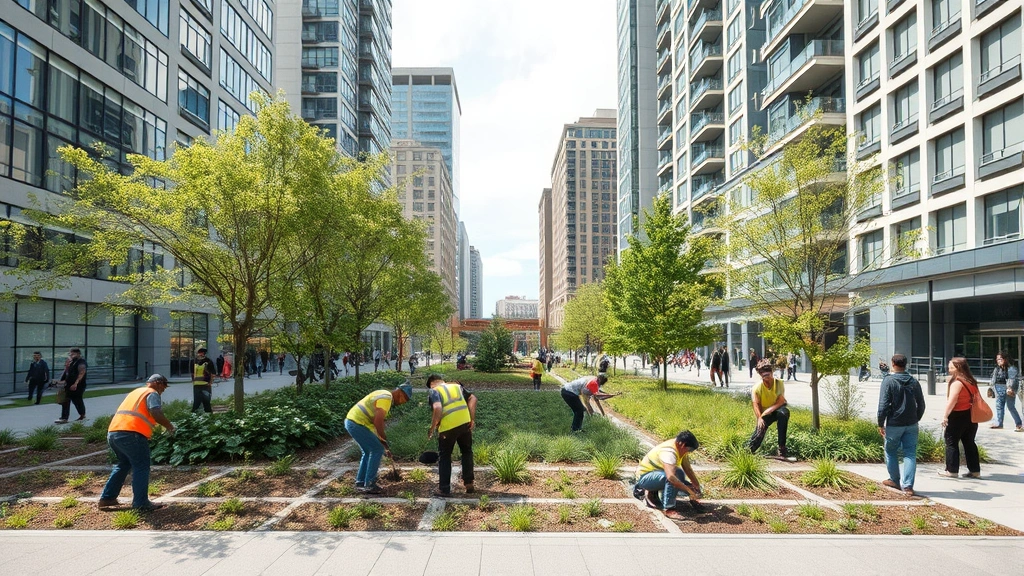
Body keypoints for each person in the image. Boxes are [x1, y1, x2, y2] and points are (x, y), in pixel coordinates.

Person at [97, 374, 175, 511]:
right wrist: (169, 426)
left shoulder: (136, 392)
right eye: (164, 386)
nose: (163, 390)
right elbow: (155, 412)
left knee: (124, 464)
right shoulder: (152, 393)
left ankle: (107, 498)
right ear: (157, 383)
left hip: (114, 433)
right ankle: (141, 503)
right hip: (132, 435)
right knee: (142, 466)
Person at [343, 382, 413, 494]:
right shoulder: (386, 398)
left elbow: (373, 427)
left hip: (353, 422)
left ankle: (360, 482)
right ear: (400, 393)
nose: (402, 402)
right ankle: (370, 484)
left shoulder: (384, 396)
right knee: (376, 450)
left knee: (367, 451)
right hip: (357, 423)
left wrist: (385, 446)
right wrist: (382, 439)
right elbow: (378, 422)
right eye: (405, 399)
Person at [876, 353, 926, 496]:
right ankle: (908, 486)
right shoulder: (913, 381)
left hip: (894, 423)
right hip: (911, 423)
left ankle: (894, 480)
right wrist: (916, 418)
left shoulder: (888, 381)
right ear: (906, 364)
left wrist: (880, 423)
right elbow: (921, 404)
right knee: (910, 453)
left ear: (893, 364)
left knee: (890, 451)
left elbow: (883, 405)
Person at [426, 374, 477, 497]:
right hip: (465, 423)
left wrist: (432, 427)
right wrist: (472, 419)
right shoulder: (456, 386)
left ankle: (444, 489)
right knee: (466, 451)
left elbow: (437, 407)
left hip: (448, 427)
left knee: (444, 456)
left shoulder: (434, 390)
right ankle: (469, 483)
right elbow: (473, 398)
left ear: (432, 384)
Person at [633, 430, 703, 520]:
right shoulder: (669, 452)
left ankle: (653, 492)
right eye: (690, 450)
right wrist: (689, 491)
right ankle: (669, 509)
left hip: (658, 475)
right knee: (674, 479)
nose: (689, 452)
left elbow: (688, 468)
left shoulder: (681, 448)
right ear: (682, 444)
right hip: (644, 478)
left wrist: (696, 485)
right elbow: (671, 478)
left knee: (680, 475)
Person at [939, 357, 982, 479]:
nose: (948, 368)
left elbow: (952, 401)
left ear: (958, 368)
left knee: (951, 442)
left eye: (951, 366)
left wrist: (945, 416)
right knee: (969, 442)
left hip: (957, 415)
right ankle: (975, 471)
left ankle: (952, 471)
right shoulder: (971, 381)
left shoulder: (958, 382)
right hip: (971, 415)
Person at [747, 359, 790, 457]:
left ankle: (781, 448)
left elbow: (780, 401)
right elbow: (755, 404)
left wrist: (767, 411)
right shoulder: (756, 388)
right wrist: (760, 418)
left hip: (778, 409)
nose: (767, 378)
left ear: (772, 372)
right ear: (760, 375)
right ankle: (748, 450)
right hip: (764, 414)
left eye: (768, 375)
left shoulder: (779, 383)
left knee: (783, 414)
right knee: (757, 435)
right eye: (764, 376)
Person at [990, 351, 1022, 431]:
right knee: (999, 406)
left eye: (1000, 359)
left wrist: (1010, 388)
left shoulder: (1011, 368)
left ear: (1005, 359)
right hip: (998, 388)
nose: (998, 361)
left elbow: (1012, 379)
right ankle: (999, 423)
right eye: (997, 359)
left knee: (1011, 407)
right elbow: (993, 379)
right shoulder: (997, 369)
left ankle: (1019, 424)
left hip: (1008, 389)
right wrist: (992, 388)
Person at [55, 348, 87, 424]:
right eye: (70, 354)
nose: (71, 355)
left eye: (73, 354)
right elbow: (68, 374)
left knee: (77, 401)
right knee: (65, 401)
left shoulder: (81, 362)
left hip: (77, 386)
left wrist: (76, 383)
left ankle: (82, 415)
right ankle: (64, 417)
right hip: (68, 385)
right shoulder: (72, 362)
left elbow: (81, 373)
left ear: (78, 354)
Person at [190, 348, 215, 413]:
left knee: (203, 402)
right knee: (202, 402)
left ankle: (195, 415)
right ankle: (205, 415)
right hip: (202, 384)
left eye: (201, 352)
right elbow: (192, 373)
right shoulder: (194, 361)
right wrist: (210, 382)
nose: (200, 354)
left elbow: (212, 373)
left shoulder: (207, 361)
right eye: (199, 352)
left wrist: (210, 382)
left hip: (203, 384)